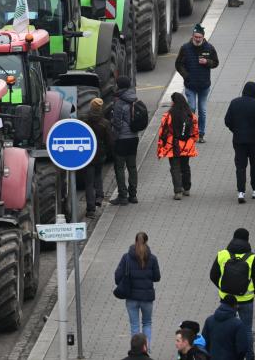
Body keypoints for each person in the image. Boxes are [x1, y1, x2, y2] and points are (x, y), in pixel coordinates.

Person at [209, 228, 255, 360]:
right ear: (247, 240)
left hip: (226, 300)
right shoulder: (252, 257)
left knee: (226, 327)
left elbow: (213, 275)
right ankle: (250, 356)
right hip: (246, 300)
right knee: (247, 330)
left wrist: (223, 288)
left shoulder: (222, 254)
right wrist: (250, 292)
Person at [224, 82, 255, 203]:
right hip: (254, 141)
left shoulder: (234, 102)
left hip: (238, 140)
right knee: (254, 165)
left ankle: (241, 192)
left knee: (240, 166)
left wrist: (236, 130)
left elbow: (227, 121)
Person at [115, 232, 160, 347]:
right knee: (147, 323)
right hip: (147, 298)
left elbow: (117, 277)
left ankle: (136, 351)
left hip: (131, 297)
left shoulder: (126, 257)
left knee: (134, 325)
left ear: (135, 241)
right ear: (146, 242)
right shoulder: (153, 258)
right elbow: (157, 277)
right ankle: (147, 350)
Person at [175, 24, 219, 143]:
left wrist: (207, 62)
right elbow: (178, 64)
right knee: (192, 108)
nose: (197, 39)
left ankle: (201, 133)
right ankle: (190, 132)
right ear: (193, 36)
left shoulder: (209, 48)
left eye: (199, 37)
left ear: (203, 37)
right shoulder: (185, 48)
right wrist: (186, 76)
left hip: (204, 85)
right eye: (196, 37)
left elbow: (216, 62)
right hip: (190, 85)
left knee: (202, 110)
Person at [157, 93, 199, 200]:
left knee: (175, 168)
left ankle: (178, 191)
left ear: (174, 102)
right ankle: (187, 188)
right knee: (185, 166)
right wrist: (192, 140)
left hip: (173, 146)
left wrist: (161, 147)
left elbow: (163, 132)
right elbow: (195, 131)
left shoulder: (168, 115)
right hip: (187, 145)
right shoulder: (190, 114)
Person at [110, 76, 140, 205]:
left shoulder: (119, 102)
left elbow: (117, 123)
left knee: (120, 167)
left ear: (119, 86)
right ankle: (133, 195)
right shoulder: (134, 98)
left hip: (122, 138)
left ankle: (122, 195)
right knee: (132, 167)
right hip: (134, 137)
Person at [82, 97, 112, 217]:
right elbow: (109, 140)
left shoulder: (84, 121)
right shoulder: (104, 123)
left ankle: (90, 209)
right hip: (100, 154)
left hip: (87, 155)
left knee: (88, 183)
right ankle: (99, 196)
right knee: (98, 175)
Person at [201, 295, 249, 360]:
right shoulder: (238, 324)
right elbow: (242, 348)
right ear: (234, 305)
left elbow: (204, 342)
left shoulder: (209, 320)